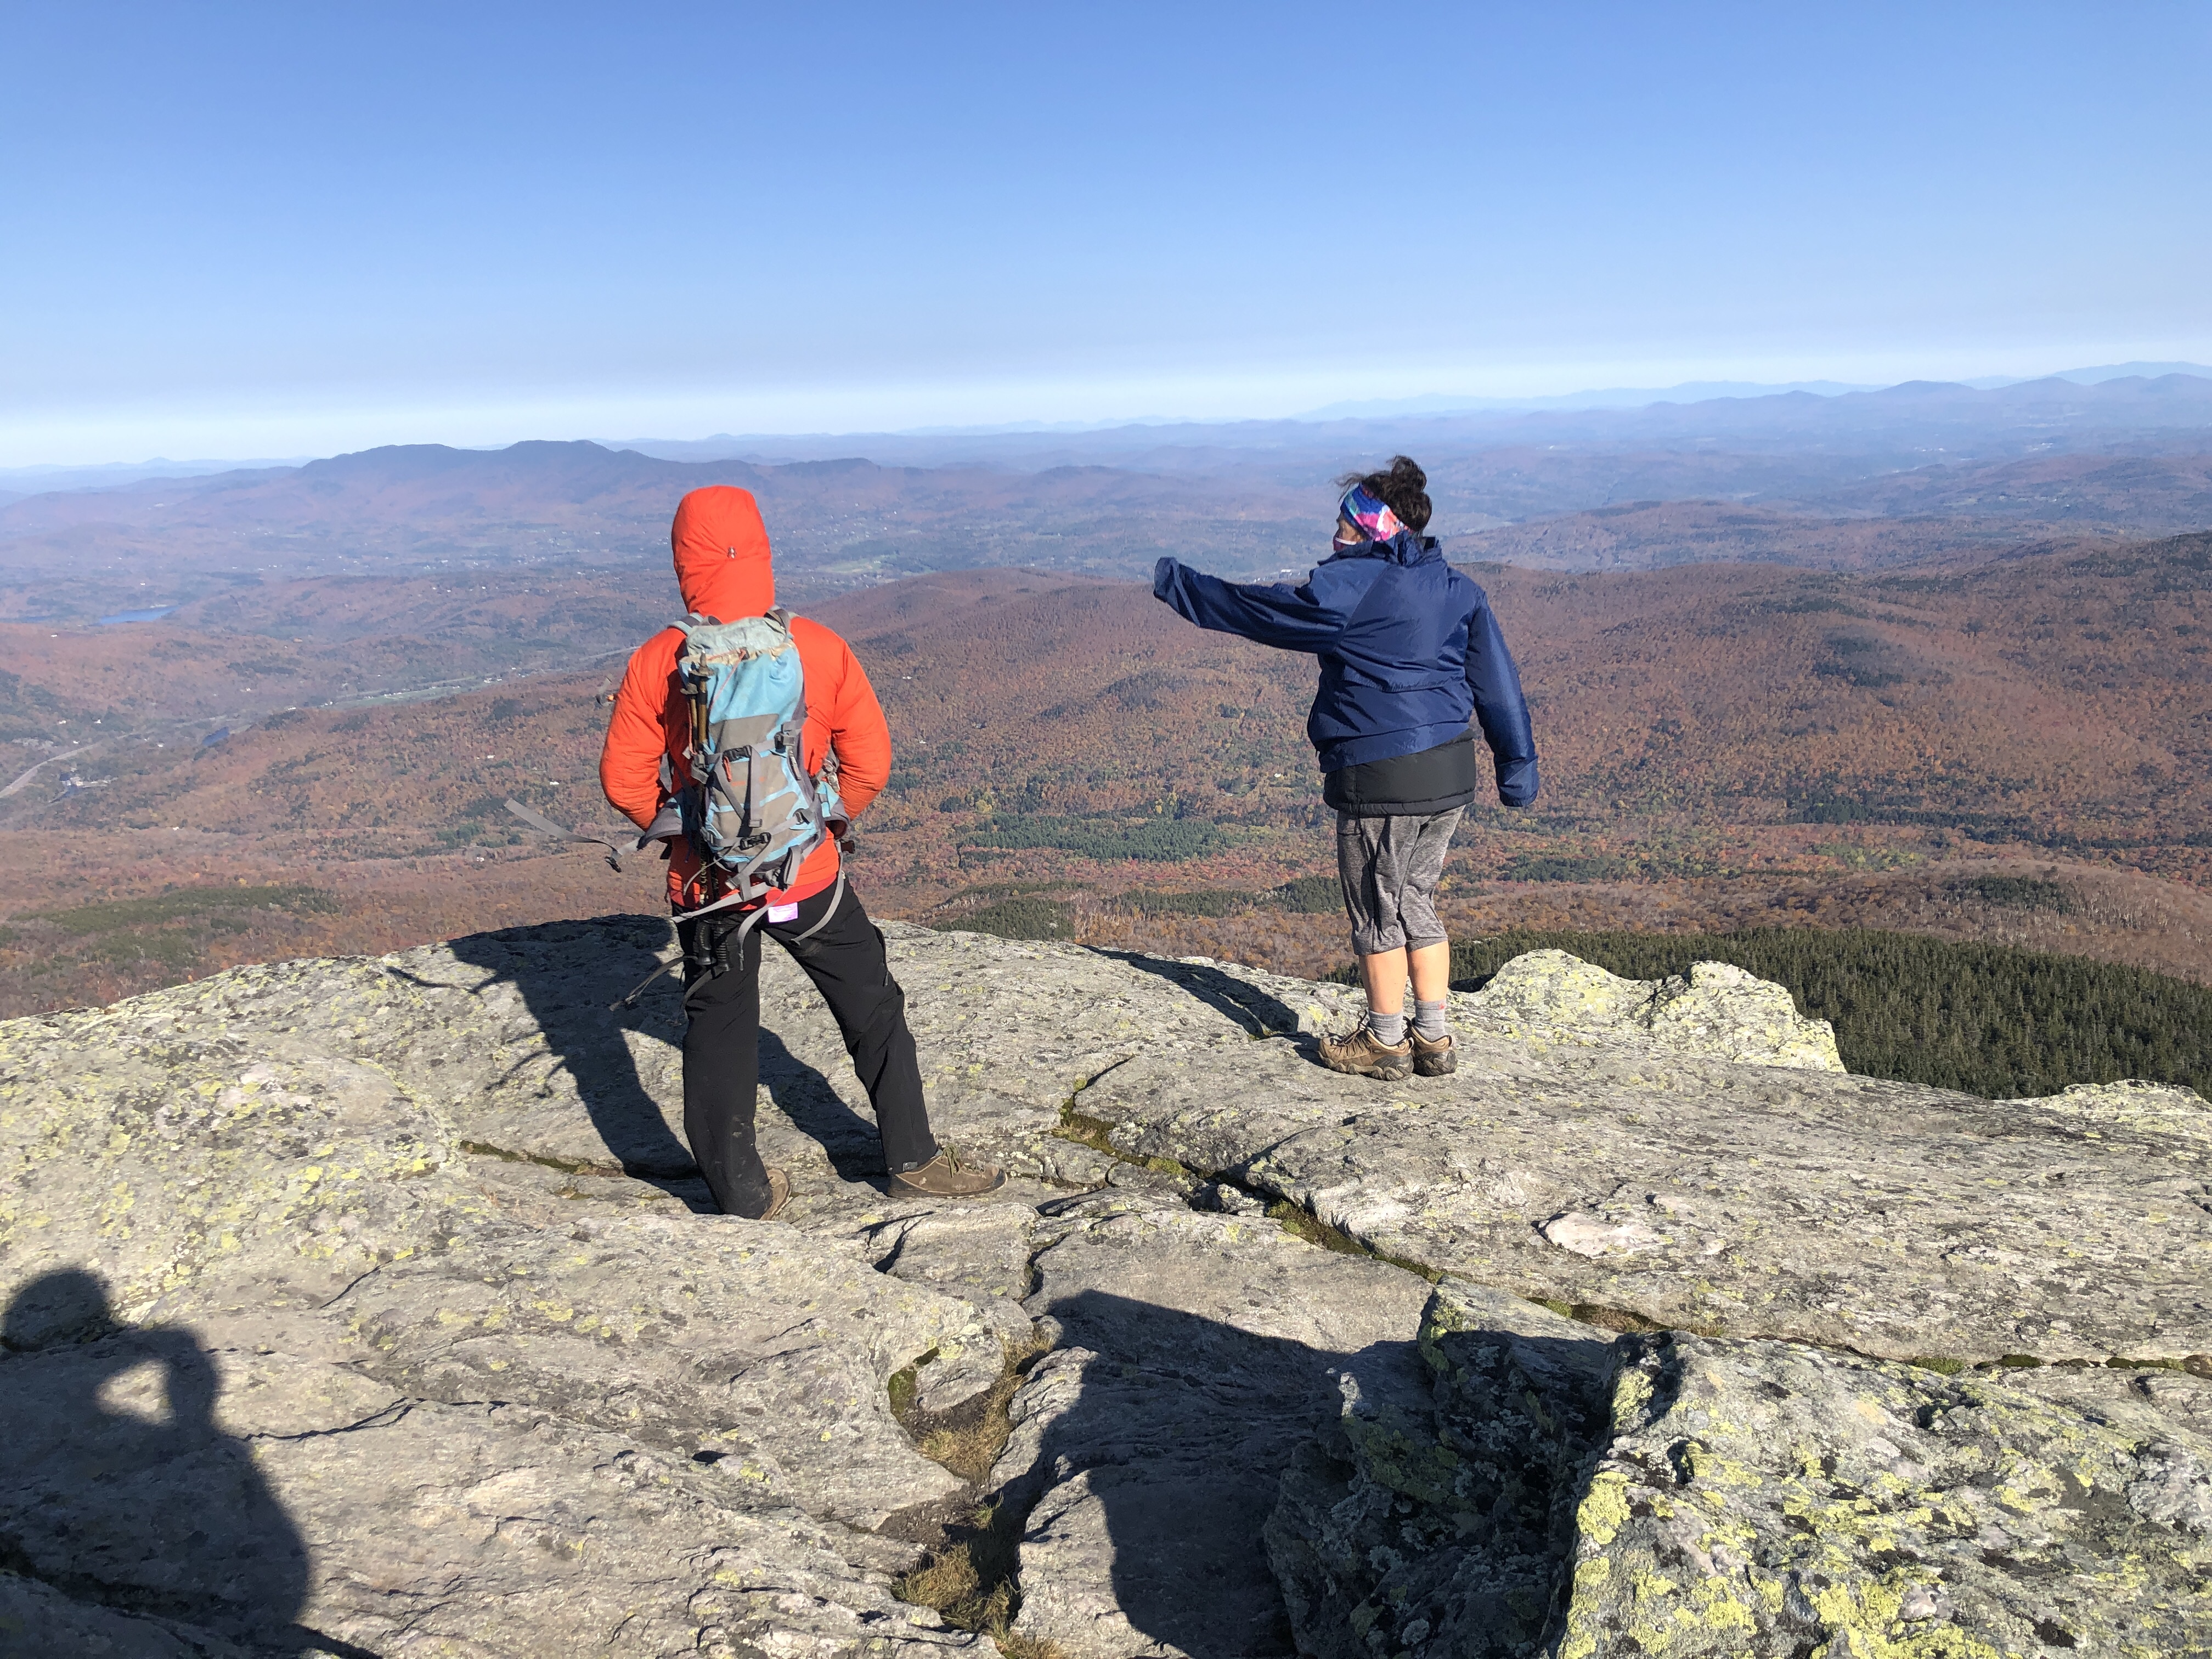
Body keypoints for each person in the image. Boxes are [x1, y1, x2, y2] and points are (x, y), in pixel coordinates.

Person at [600, 484, 1004, 1218]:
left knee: (720, 1028)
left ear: (684, 562)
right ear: (762, 551)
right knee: (873, 1006)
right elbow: (870, 764)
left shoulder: (661, 659)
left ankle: (743, 1193)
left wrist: (693, 833)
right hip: (807, 880)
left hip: (711, 889)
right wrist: (823, 826)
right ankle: (912, 1161)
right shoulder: (817, 647)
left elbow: (623, 779)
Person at [1153, 455, 1539, 1081]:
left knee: (1376, 909)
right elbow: (1500, 687)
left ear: (1371, 531)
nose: (1334, 536)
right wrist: (1517, 766)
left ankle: (1385, 1041)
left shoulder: (1353, 589)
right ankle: (1433, 1037)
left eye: (1343, 526)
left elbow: (1263, 613)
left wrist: (1179, 584)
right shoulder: (1459, 589)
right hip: (1450, 773)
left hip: (1382, 775)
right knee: (1415, 898)